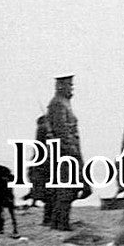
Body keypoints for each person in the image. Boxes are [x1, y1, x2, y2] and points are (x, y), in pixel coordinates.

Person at [44, 74, 82, 230]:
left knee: (66, 188)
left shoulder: (62, 103)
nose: (71, 88)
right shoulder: (58, 104)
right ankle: (61, 223)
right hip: (64, 152)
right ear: (60, 86)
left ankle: (58, 222)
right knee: (66, 188)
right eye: (69, 85)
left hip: (65, 150)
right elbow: (62, 131)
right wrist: (72, 151)